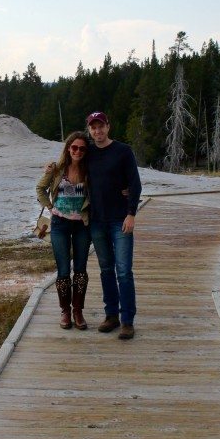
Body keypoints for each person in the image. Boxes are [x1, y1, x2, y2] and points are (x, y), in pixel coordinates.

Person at [85, 111, 141, 341]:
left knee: (124, 271)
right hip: (97, 220)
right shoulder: (87, 153)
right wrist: (51, 169)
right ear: (89, 130)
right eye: (93, 127)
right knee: (106, 270)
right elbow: (69, 167)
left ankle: (127, 320)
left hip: (120, 219)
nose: (97, 131)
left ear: (108, 126)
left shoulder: (123, 151)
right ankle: (111, 315)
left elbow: (135, 184)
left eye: (101, 126)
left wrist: (131, 214)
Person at [36, 131, 91, 330]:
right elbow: (40, 188)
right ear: (68, 148)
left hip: (81, 225)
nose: (77, 151)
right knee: (63, 270)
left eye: (82, 148)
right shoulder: (57, 169)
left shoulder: (89, 170)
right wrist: (50, 207)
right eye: (74, 147)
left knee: (81, 270)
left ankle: (78, 310)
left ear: (86, 151)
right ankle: (65, 311)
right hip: (59, 224)